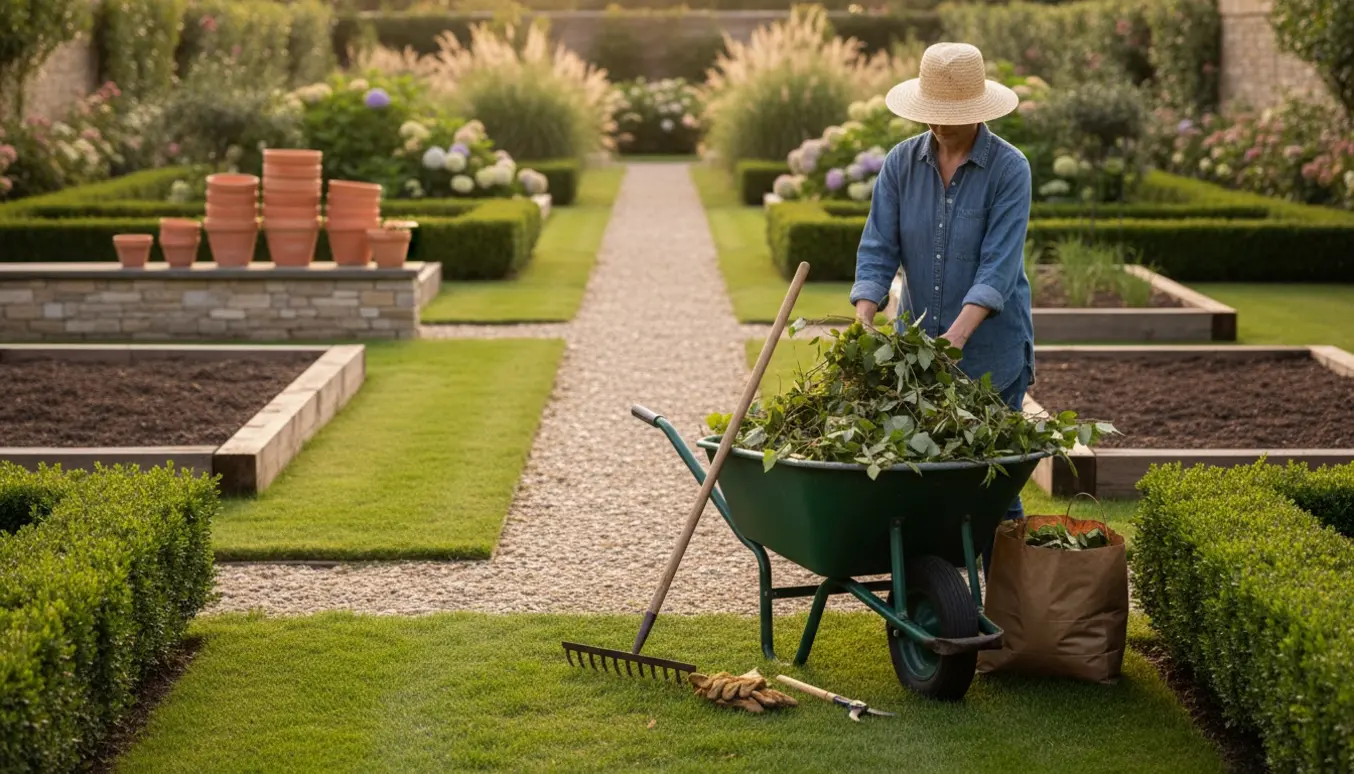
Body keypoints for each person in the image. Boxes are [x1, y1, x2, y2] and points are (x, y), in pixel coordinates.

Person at [849, 42, 1036, 569]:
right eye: (931, 116)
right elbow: (878, 248)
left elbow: (998, 267)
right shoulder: (900, 164)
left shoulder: (1009, 169)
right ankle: (942, 591)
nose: (939, 126)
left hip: (990, 353)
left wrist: (955, 338)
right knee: (928, 474)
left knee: (992, 478)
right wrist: (866, 313)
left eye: (950, 117)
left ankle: (1012, 606)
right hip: (919, 355)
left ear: (978, 111)